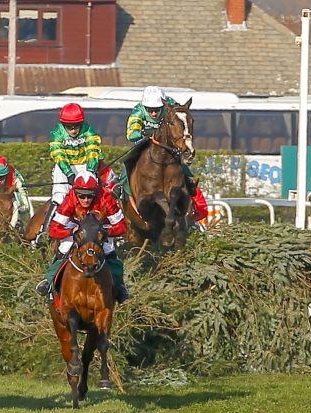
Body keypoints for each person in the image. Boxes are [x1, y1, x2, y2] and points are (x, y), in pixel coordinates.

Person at [35, 172, 130, 303]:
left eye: (90, 196)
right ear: (75, 192)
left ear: (96, 193)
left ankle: (120, 285)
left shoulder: (106, 198)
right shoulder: (69, 200)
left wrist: (104, 232)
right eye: (81, 196)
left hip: (101, 229)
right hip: (76, 227)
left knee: (110, 251)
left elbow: (122, 227)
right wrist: (71, 231)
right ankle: (48, 282)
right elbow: (53, 230)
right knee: (64, 247)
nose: (86, 200)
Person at [122, 85, 209, 227]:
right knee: (128, 161)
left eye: (157, 110)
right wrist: (146, 132)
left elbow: (182, 118)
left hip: (167, 146)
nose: (154, 114)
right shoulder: (138, 111)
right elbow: (131, 135)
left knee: (182, 165)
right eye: (150, 110)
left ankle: (189, 188)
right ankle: (122, 186)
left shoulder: (170, 104)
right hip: (145, 142)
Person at [45, 102, 116, 233]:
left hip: (85, 166)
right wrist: (69, 174)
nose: (73, 130)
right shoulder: (56, 132)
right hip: (64, 167)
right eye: (69, 127)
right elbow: (58, 154)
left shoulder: (89, 129)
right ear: (63, 124)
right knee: (59, 198)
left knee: (94, 197)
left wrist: (89, 171)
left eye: (76, 126)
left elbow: (93, 151)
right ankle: (44, 231)